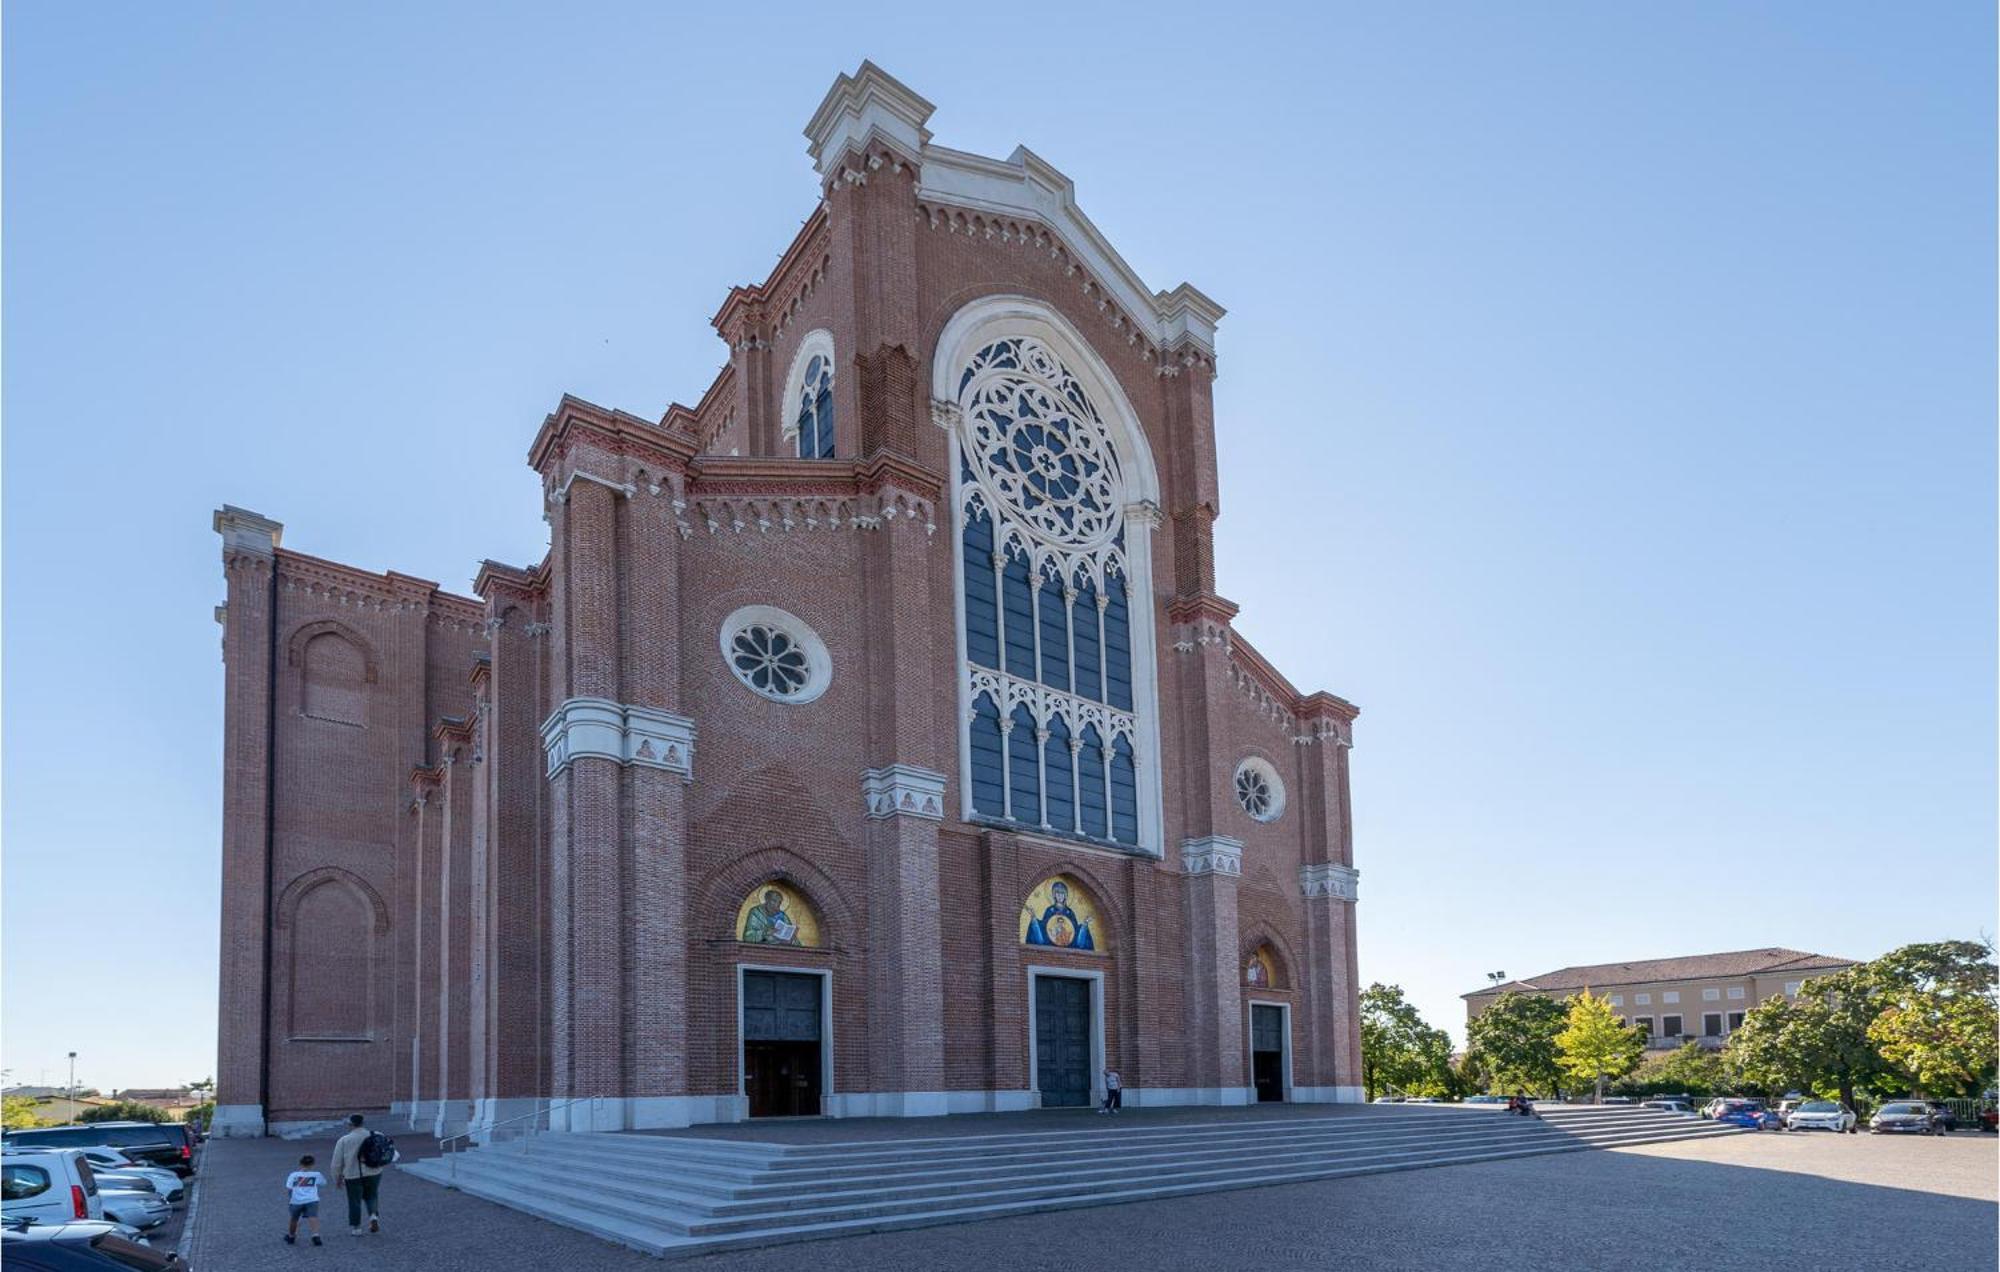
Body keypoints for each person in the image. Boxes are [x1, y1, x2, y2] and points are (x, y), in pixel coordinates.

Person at [330, 1113, 385, 1235]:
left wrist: (337, 1178)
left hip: (353, 1174)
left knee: (354, 1201)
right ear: (362, 1123)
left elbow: (336, 1163)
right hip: (374, 1172)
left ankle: (356, 1228)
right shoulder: (377, 1135)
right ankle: (373, 1216)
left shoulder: (344, 1140)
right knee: (372, 1196)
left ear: (350, 1124)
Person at [283, 1154, 324, 1246]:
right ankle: (315, 1235)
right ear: (313, 1164)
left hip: (296, 1201)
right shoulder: (316, 1174)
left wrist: (291, 1198)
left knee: (294, 1219)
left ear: (300, 1164)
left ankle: (291, 1236)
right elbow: (323, 1183)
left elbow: (289, 1188)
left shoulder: (293, 1175)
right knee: (313, 1217)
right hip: (312, 1200)